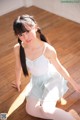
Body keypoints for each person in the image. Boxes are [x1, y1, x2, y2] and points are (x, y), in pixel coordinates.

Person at [7, 14, 80, 120]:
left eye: (27, 31)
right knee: (30, 110)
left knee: (47, 109)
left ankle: (71, 118)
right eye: (20, 35)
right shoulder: (18, 48)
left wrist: (75, 84)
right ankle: (68, 115)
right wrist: (17, 81)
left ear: (35, 27)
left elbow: (60, 68)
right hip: (37, 82)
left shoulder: (47, 49)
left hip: (53, 80)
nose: (25, 37)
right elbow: (18, 67)